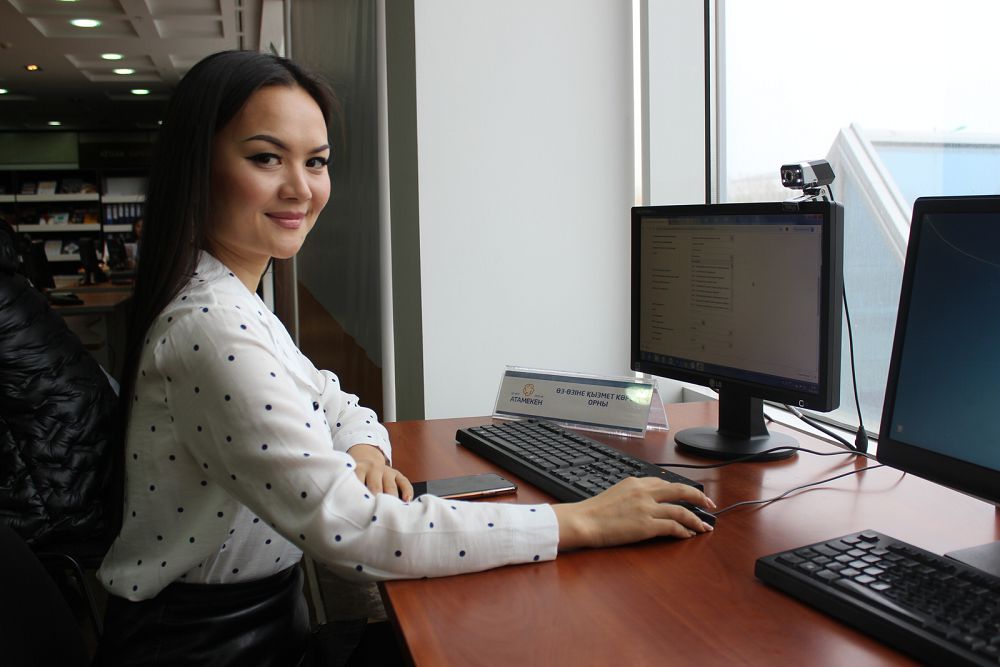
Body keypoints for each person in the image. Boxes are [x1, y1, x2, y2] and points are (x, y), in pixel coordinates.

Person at [94, 50, 715, 666]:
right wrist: (582, 522)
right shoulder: (212, 327)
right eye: (266, 158)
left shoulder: (233, 300)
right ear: (197, 166)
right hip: (208, 650)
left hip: (257, 628)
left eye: (316, 162)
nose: (301, 189)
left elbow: (338, 402)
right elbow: (353, 531)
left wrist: (365, 451)